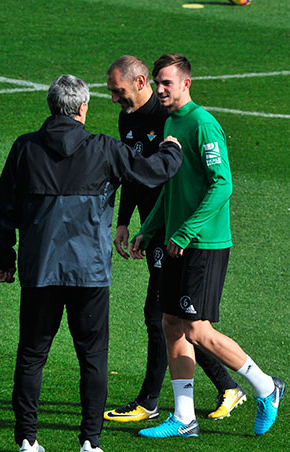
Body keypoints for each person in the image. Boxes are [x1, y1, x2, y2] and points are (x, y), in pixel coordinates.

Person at [0, 74, 182, 452]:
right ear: (82, 108)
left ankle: (27, 441)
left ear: (51, 107)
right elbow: (151, 172)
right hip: (88, 273)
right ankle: (90, 443)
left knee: (31, 357)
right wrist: (172, 150)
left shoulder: (25, 148)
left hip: (40, 270)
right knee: (93, 359)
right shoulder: (104, 149)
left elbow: (1, 211)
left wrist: (5, 257)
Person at [131, 54, 285, 439]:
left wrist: (184, 232)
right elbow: (170, 187)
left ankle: (266, 387)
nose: (160, 89)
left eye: (166, 83)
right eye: (157, 82)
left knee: (198, 331)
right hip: (176, 242)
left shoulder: (203, 125)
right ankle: (184, 417)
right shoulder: (170, 123)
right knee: (171, 324)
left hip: (204, 244)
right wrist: (148, 229)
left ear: (186, 83)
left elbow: (222, 184)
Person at [102, 56, 247, 423]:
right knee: (176, 319)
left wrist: (175, 229)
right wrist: (127, 222)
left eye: (119, 91)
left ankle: (150, 401)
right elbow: (132, 172)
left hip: (179, 234)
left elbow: (216, 182)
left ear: (139, 83)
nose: (115, 98)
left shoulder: (171, 118)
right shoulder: (130, 118)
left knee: (166, 318)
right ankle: (226, 387)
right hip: (157, 229)